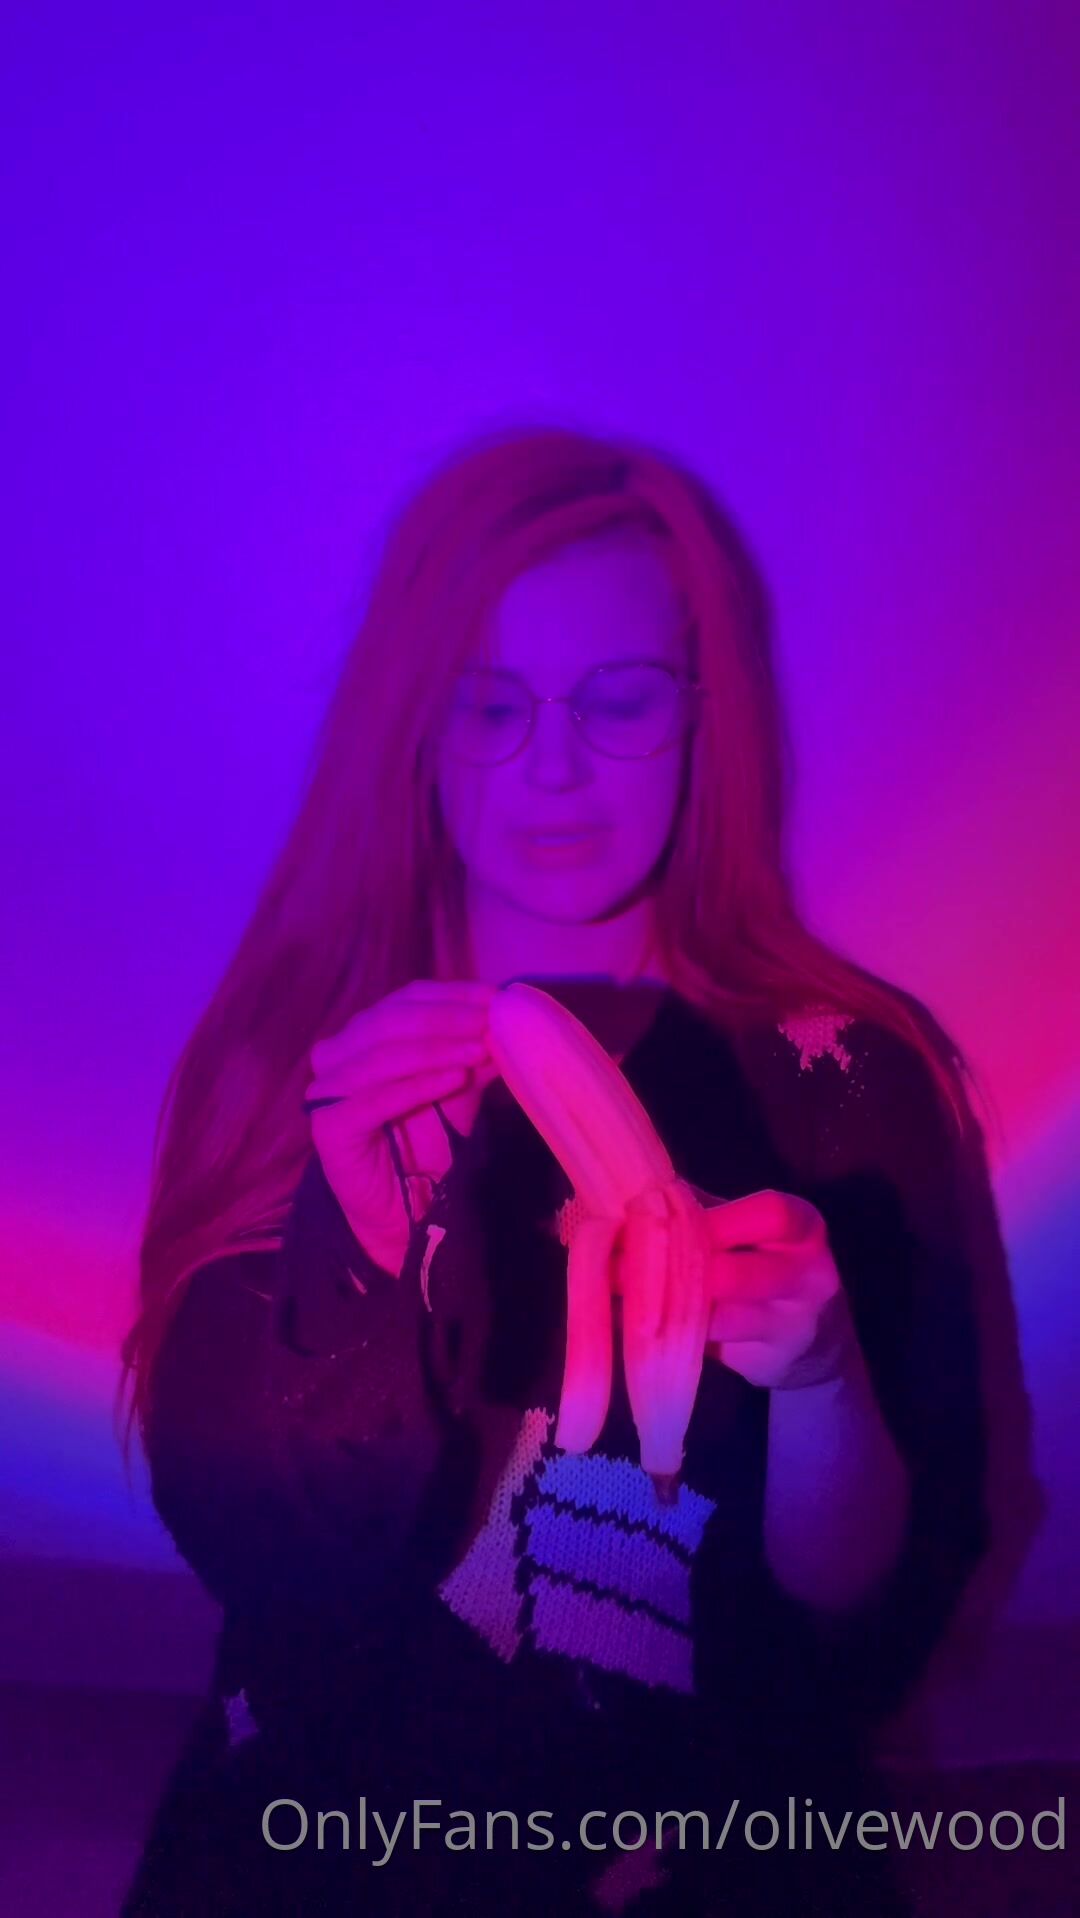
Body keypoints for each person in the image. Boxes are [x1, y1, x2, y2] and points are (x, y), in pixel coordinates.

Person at [116, 423, 1034, 1916]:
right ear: (414, 722)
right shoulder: (299, 1062)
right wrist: (359, 1261)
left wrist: (821, 1379)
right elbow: (256, 1553)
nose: (553, 766)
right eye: (491, 704)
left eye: (618, 699)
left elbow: (868, 1629)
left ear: (702, 715)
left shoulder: (841, 1085)